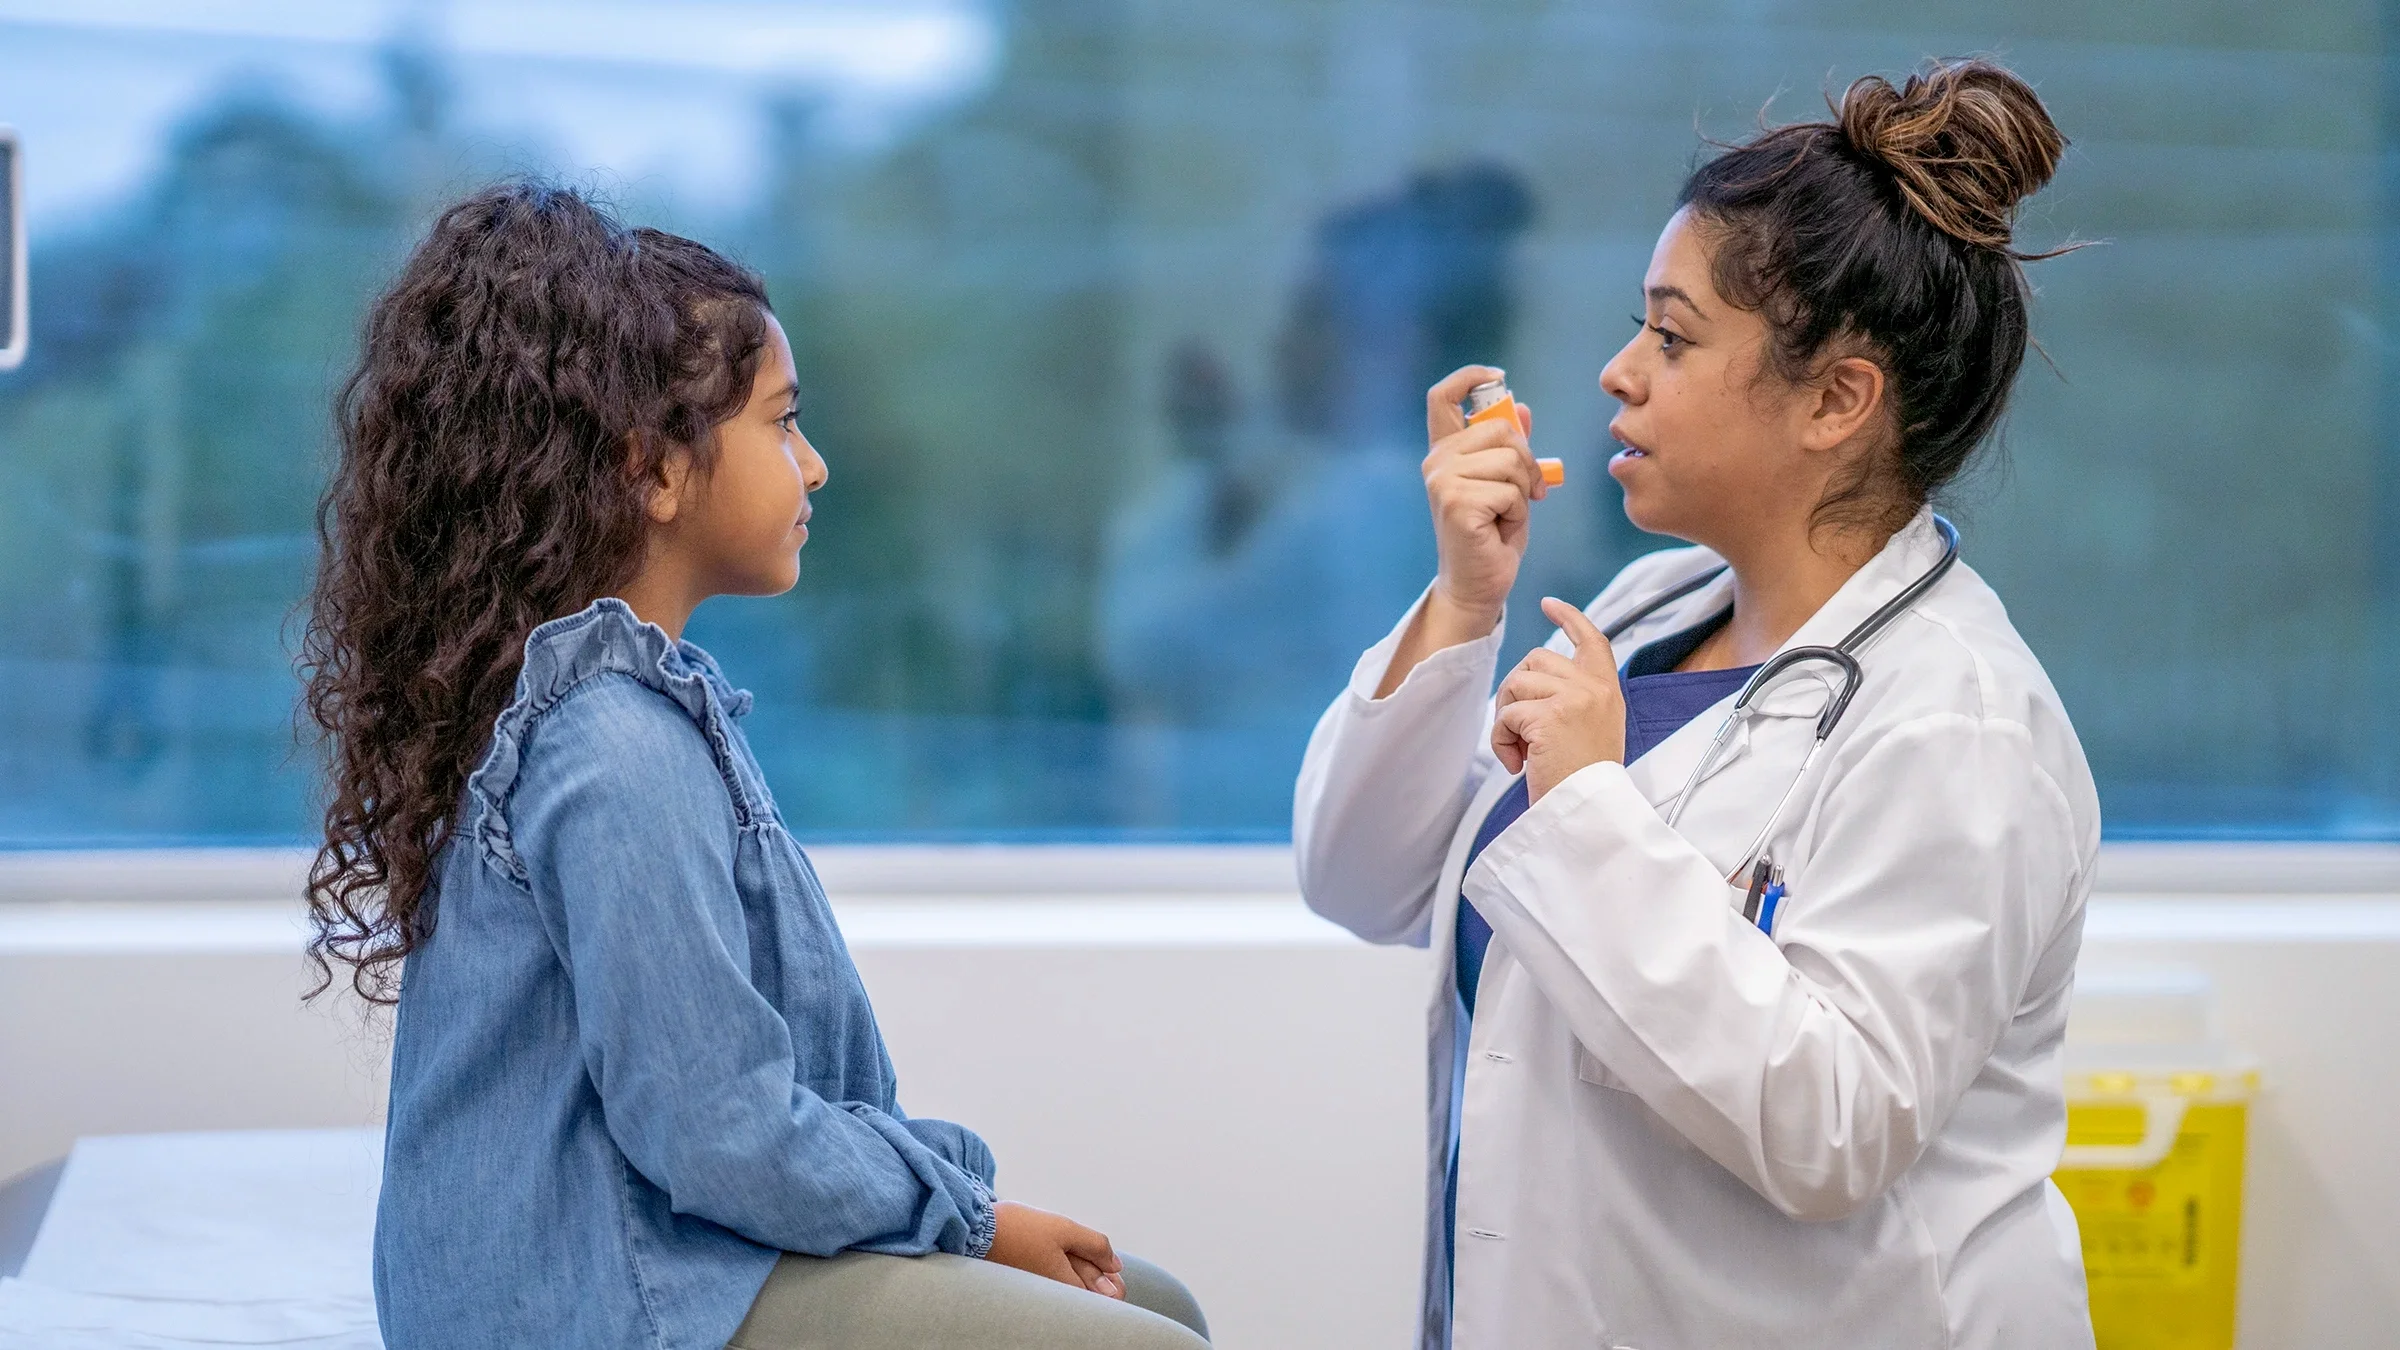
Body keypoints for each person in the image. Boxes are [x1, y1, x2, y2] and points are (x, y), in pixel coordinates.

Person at [300, 182, 1210, 1350]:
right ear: (655, 470)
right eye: (783, 423)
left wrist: (950, 1208)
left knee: (1158, 1304)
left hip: (648, 1255)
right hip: (597, 1302)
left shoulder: (631, 713)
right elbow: (716, 1132)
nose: (815, 466)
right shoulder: (611, 746)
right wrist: (968, 1220)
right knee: (1150, 1340)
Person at [1294, 59, 2099, 1350]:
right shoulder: (1649, 611)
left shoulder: (1958, 723)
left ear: (1838, 399)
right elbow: (1357, 877)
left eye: (1671, 337)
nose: (1619, 372)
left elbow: (1831, 1125)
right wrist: (1463, 599)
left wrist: (1591, 805)